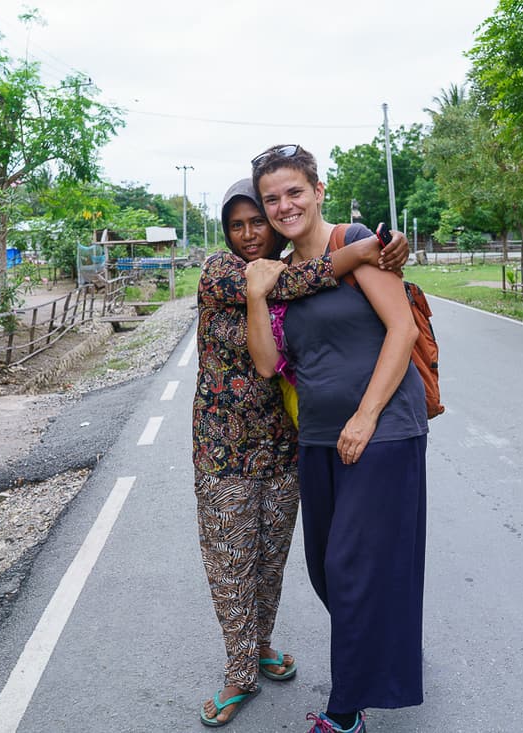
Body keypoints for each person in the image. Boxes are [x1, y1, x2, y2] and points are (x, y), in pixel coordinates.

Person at [193, 178, 409, 727]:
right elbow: (300, 279)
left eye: (256, 222)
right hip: (224, 451)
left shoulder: (288, 267)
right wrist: (359, 247)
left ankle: (261, 646)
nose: (248, 234)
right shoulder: (223, 272)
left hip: (286, 444)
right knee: (230, 565)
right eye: (237, 224)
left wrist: (377, 249)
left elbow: (328, 288)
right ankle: (239, 673)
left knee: (271, 563)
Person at [245, 146, 428, 733]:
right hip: (319, 437)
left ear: (318, 190)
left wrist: (367, 415)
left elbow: (400, 328)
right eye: (271, 198)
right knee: (327, 571)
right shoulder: (282, 272)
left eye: (294, 192)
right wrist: (255, 294)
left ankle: (345, 713)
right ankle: (382, 655)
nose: (283, 206)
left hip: (383, 430)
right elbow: (270, 363)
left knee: (353, 568)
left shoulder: (354, 241)